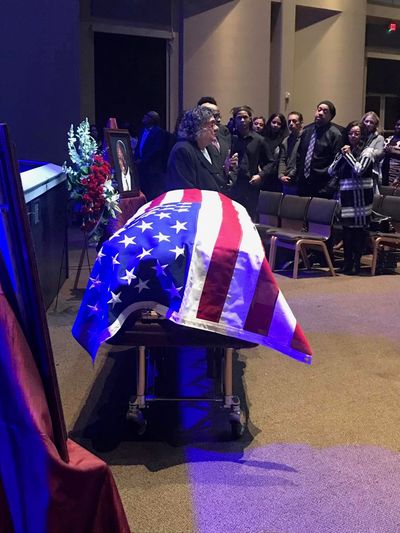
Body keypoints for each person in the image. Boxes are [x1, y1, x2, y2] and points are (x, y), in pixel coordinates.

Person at [328, 121, 374, 274]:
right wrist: (341, 156)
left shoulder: (367, 152)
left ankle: (356, 263)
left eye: (356, 133)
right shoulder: (344, 151)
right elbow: (330, 171)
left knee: (358, 231)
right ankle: (347, 262)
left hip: (361, 197)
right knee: (347, 230)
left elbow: (359, 169)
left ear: (362, 135)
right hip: (347, 196)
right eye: (350, 133)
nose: (353, 136)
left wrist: (348, 155)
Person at [166, 106, 229, 192]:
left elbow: (219, 182)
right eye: (211, 124)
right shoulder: (182, 150)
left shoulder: (210, 148)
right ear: (197, 127)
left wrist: (227, 170)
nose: (216, 128)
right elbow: (185, 191)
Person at [229, 105, 273, 219]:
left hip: (250, 187)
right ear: (234, 120)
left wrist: (260, 175)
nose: (242, 120)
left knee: (249, 219)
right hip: (232, 186)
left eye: (245, 117)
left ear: (250, 119)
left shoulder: (259, 140)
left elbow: (271, 163)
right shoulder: (229, 139)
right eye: (239, 118)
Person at [297, 100, 343, 198]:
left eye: (325, 111)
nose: (320, 113)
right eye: (319, 110)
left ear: (331, 116)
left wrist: (330, 186)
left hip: (322, 185)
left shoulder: (335, 134)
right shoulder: (306, 131)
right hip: (303, 184)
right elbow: (299, 155)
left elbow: (337, 163)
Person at [135, 110, 170, 201]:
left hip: (153, 171)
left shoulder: (160, 133)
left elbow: (156, 150)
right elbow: (139, 146)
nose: (144, 117)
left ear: (152, 119)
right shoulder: (142, 131)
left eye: (146, 116)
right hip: (141, 169)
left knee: (152, 195)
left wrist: (142, 160)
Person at [278, 111, 304, 194]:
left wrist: (291, 175)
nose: (291, 124)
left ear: (301, 123)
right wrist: (281, 175)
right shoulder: (286, 140)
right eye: (289, 121)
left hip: (299, 179)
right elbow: (282, 159)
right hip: (286, 180)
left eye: (294, 121)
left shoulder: (305, 138)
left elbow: (301, 161)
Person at [361, 111, 384, 192]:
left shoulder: (379, 138)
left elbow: (379, 153)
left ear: (375, 125)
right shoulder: (359, 135)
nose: (368, 124)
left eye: (371, 122)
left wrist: (366, 151)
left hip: (371, 173)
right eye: (366, 121)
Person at [382, 118, 400, 187]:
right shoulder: (389, 139)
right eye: (397, 125)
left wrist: (394, 151)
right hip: (387, 170)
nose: (399, 127)